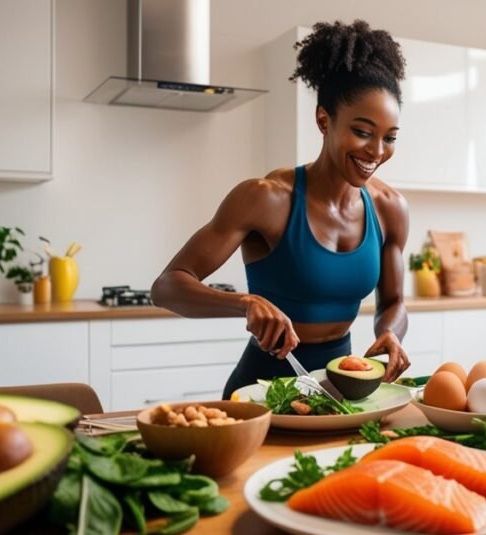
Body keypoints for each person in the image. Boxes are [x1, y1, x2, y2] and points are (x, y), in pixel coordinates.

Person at [151, 20, 411, 399]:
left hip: (344, 390)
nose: (376, 151)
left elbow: (393, 303)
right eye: (363, 131)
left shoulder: (390, 209)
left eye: (389, 138)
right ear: (324, 120)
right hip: (260, 390)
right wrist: (245, 303)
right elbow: (167, 287)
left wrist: (390, 332)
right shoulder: (266, 198)